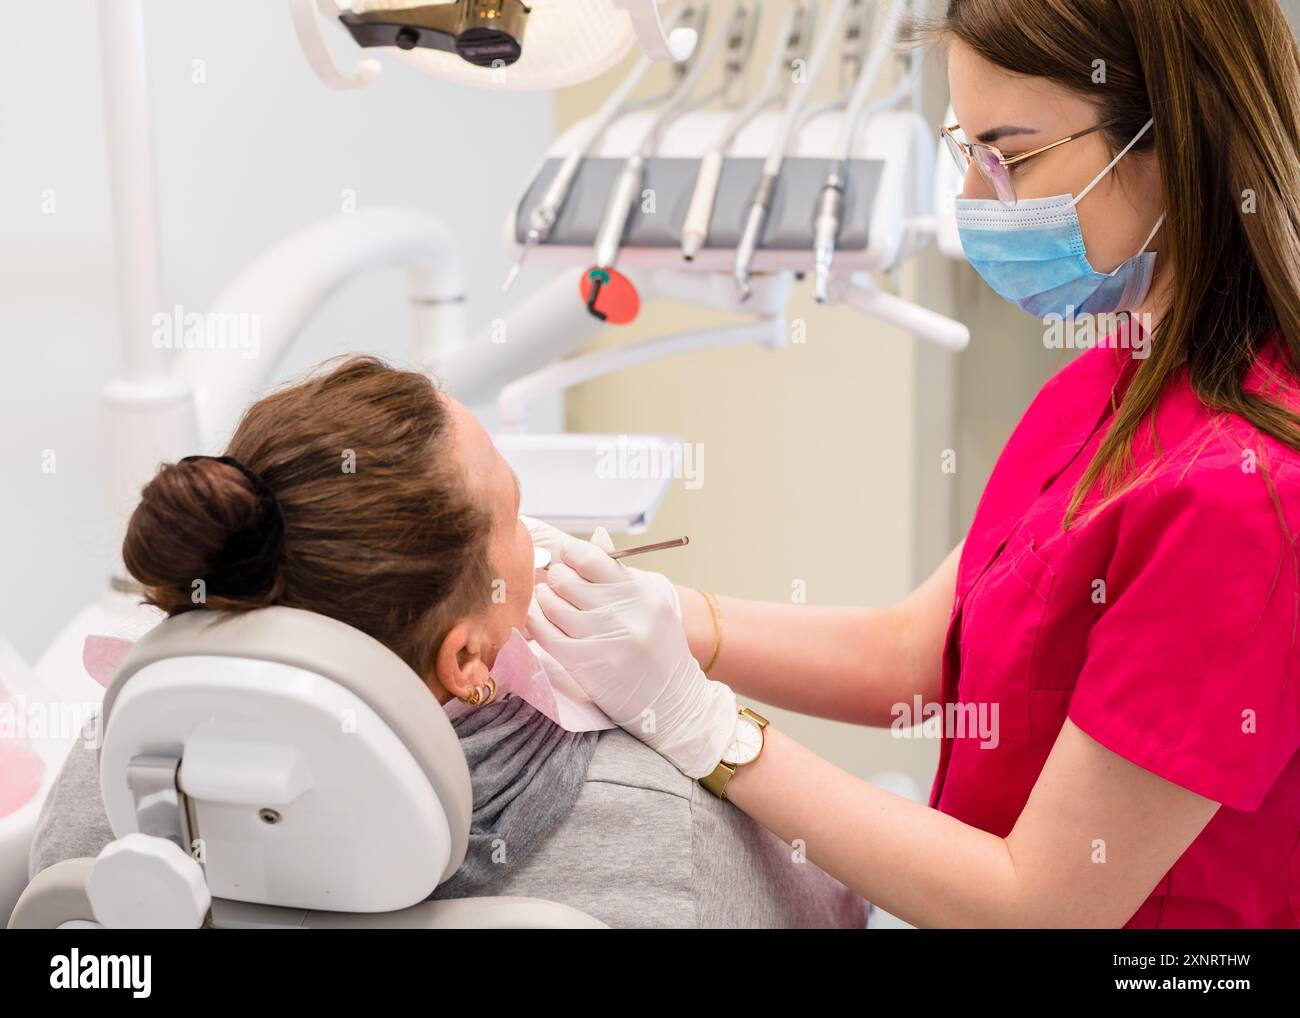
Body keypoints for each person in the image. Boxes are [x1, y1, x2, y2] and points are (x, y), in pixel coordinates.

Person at [528, 0, 1300, 928]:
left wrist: (707, 730)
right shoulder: (1119, 368)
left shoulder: (1246, 494)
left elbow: (1042, 905)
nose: (974, 201)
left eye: (1009, 156)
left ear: (1173, 135)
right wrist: (662, 618)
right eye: (966, 151)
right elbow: (919, 654)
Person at [30, 355, 867, 929]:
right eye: (513, 515)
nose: (541, 536)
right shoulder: (657, 826)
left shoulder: (99, 800)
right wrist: (707, 729)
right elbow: (840, 904)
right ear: (466, 663)